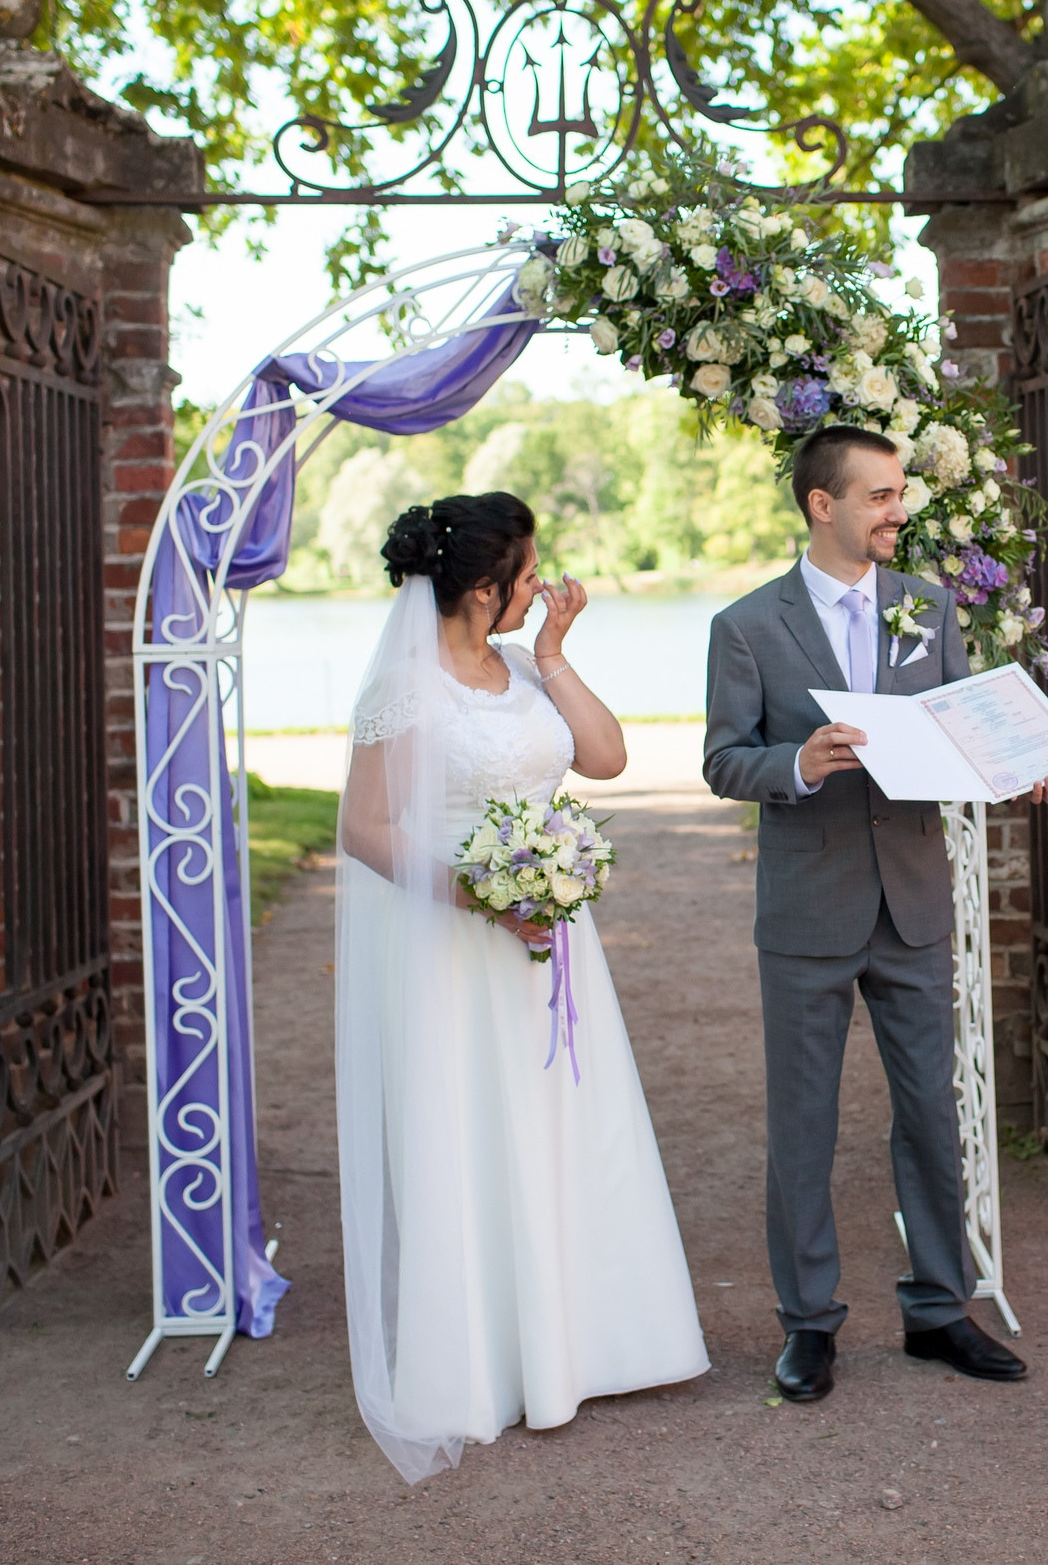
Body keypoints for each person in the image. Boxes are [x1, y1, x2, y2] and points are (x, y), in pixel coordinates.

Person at [332, 492, 707, 1486]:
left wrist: (555, 648)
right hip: (461, 947)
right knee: (476, 1131)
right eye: (529, 573)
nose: (543, 583)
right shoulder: (406, 690)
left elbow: (605, 757)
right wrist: (479, 897)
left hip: (554, 945)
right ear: (485, 584)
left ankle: (588, 1348)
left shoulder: (517, 669)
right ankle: (493, 1359)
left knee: (567, 1128)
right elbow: (365, 829)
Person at [702, 425, 1048, 1403]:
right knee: (803, 1127)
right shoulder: (744, 627)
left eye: (899, 492)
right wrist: (795, 763)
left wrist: (1020, 767)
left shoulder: (927, 608)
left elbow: (959, 729)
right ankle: (808, 1324)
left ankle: (941, 1309)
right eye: (880, 495)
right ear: (823, 505)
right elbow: (723, 759)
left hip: (912, 904)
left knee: (934, 1117)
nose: (897, 510)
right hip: (807, 912)